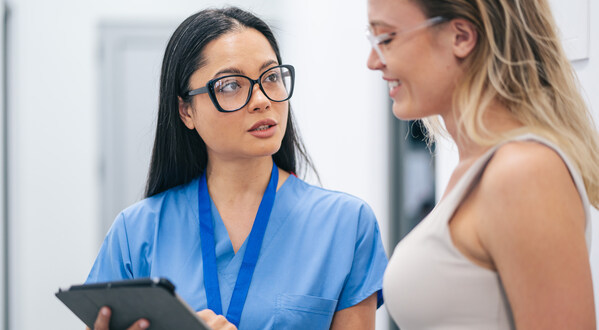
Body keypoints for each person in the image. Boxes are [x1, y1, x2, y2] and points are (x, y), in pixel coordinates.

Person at [85, 6, 388, 330]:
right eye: (231, 85)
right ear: (186, 110)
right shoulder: (136, 233)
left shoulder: (346, 225)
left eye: (271, 77)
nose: (261, 99)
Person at [366, 0, 598, 329]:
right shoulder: (477, 168)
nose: (373, 61)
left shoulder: (524, 172)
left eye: (386, 38)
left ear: (461, 36)